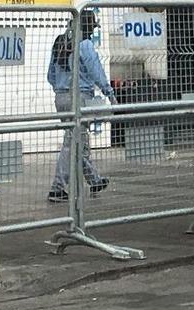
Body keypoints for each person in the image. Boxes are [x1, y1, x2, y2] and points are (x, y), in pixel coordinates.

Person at [46, 9, 115, 203]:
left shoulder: (60, 42)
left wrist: (61, 88)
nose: (93, 31)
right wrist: (109, 93)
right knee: (71, 142)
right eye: (92, 27)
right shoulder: (85, 45)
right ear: (87, 27)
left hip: (61, 97)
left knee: (78, 141)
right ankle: (57, 187)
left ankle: (94, 179)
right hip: (79, 98)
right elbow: (96, 71)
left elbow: (50, 75)